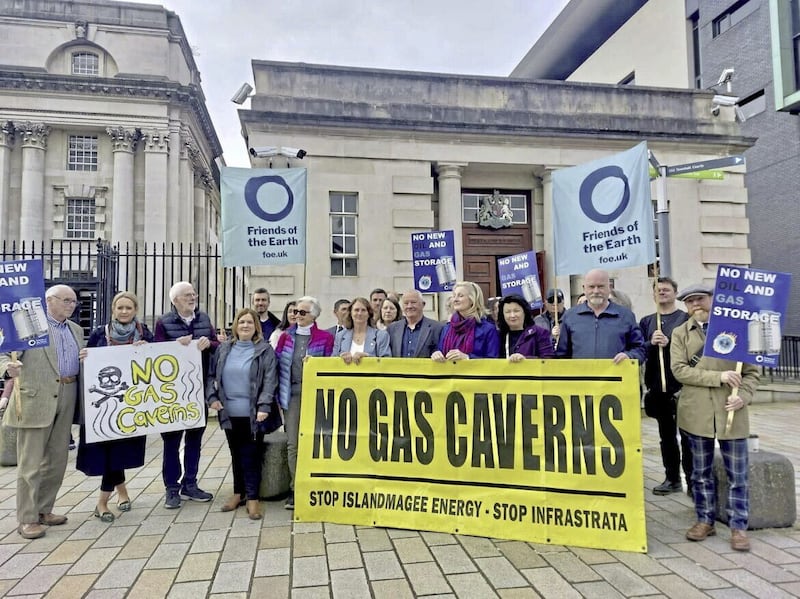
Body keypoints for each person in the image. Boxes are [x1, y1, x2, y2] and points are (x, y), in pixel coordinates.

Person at [671, 283, 759, 552]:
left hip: (731, 411)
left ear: (713, 300)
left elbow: (752, 373)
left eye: (700, 299)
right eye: (689, 302)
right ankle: (704, 519)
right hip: (696, 413)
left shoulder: (739, 329)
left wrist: (743, 396)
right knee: (700, 473)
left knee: (738, 475)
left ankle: (738, 526)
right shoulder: (680, 333)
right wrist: (717, 377)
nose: (695, 305)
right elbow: (679, 370)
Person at [1, 285, 83, 539]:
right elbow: (5, 353)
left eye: (74, 302)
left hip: (68, 393)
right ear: (49, 301)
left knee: (57, 460)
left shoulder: (76, 330)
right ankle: (26, 518)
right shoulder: (27, 322)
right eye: (66, 300)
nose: (71, 305)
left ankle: (44, 509)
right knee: (30, 463)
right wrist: (8, 369)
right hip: (35, 398)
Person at [78, 291, 153, 523]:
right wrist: (83, 356)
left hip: (129, 406)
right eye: (119, 307)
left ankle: (120, 494)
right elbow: (86, 365)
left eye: (128, 308)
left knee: (118, 452)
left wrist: (147, 349)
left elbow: (155, 363)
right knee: (108, 452)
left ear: (135, 310)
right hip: (102, 409)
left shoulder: (144, 333)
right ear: (113, 309)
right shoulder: (100, 333)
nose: (123, 312)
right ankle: (103, 502)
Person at [207, 308, 278, 520]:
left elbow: (269, 380)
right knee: (235, 454)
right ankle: (239, 493)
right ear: (235, 326)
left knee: (250, 455)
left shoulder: (265, 350)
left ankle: (253, 498)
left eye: (249, 322)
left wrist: (264, 407)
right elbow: (212, 375)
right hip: (229, 412)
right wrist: (212, 397)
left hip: (253, 414)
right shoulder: (224, 349)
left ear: (256, 326)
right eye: (241, 322)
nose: (245, 326)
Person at [154, 281, 218, 509]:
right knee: (171, 442)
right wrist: (174, 345)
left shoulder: (204, 319)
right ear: (175, 301)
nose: (192, 298)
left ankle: (190, 483)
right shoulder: (163, 322)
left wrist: (208, 343)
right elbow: (155, 353)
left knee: (194, 441)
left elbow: (217, 345)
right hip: (172, 393)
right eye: (187, 295)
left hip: (197, 389)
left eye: (194, 294)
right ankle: (171, 489)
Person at [275, 296, 334, 510]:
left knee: (319, 441)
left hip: (316, 395)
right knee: (293, 443)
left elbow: (330, 365)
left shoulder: (325, 337)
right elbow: (276, 363)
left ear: (314, 316)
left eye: (302, 312)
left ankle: (318, 485)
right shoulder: (285, 337)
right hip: (291, 395)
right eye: (296, 311)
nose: (297, 315)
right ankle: (295, 487)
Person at [639, 277, 692, 496]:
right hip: (658, 388)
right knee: (666, 437)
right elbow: (638, 350)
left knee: (688, 437)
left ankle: (692, 479)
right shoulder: (647, 321)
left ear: (675, 292)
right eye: (658, 290)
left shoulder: (685, 319)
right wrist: (650, 343)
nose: (662, 293)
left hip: (682, 387)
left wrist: (670, 343)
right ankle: (672, 478)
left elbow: (693, 349)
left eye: (666, 289)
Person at [556, 269, 646, 364]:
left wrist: (629, 356)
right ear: (584, 288)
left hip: (616, 376)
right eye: (591, 287)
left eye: (600, 286)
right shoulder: (570, 316)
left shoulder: (626, 316)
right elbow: (562, 356)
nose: (596, 291)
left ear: (609, 287)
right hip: (581, 377)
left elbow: (640, 350)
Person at [432, 281, 499, 361]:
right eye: (454, 296)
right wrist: (436, 354)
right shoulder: (447, 328)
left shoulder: (488, 329)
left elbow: (493, 361)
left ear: (472, 300)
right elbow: (441, 351)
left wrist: (467, 358)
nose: (455, 299)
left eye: (460, 296)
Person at [388, 289, 444, 358]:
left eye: (413, 302)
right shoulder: (392, 329)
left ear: (423, 304)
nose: (409, 306)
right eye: (406, 303)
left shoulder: (437, 328)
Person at [333, 297, 391, 362]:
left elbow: (387, 361)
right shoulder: (340, 335)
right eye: (356, 310)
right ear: (350, 313)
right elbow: (333, 361)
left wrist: (368, 358)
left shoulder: (381, 335)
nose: (359, 313)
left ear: (369, 314)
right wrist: (340, 358)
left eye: (363, 310)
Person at [497, 295, 554, 361]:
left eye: (516, 311)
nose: (512, 315)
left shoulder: (540, 333)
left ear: (524, 312)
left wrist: (526, 360)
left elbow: (549, 360)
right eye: (508, 312)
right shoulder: (498, 335)